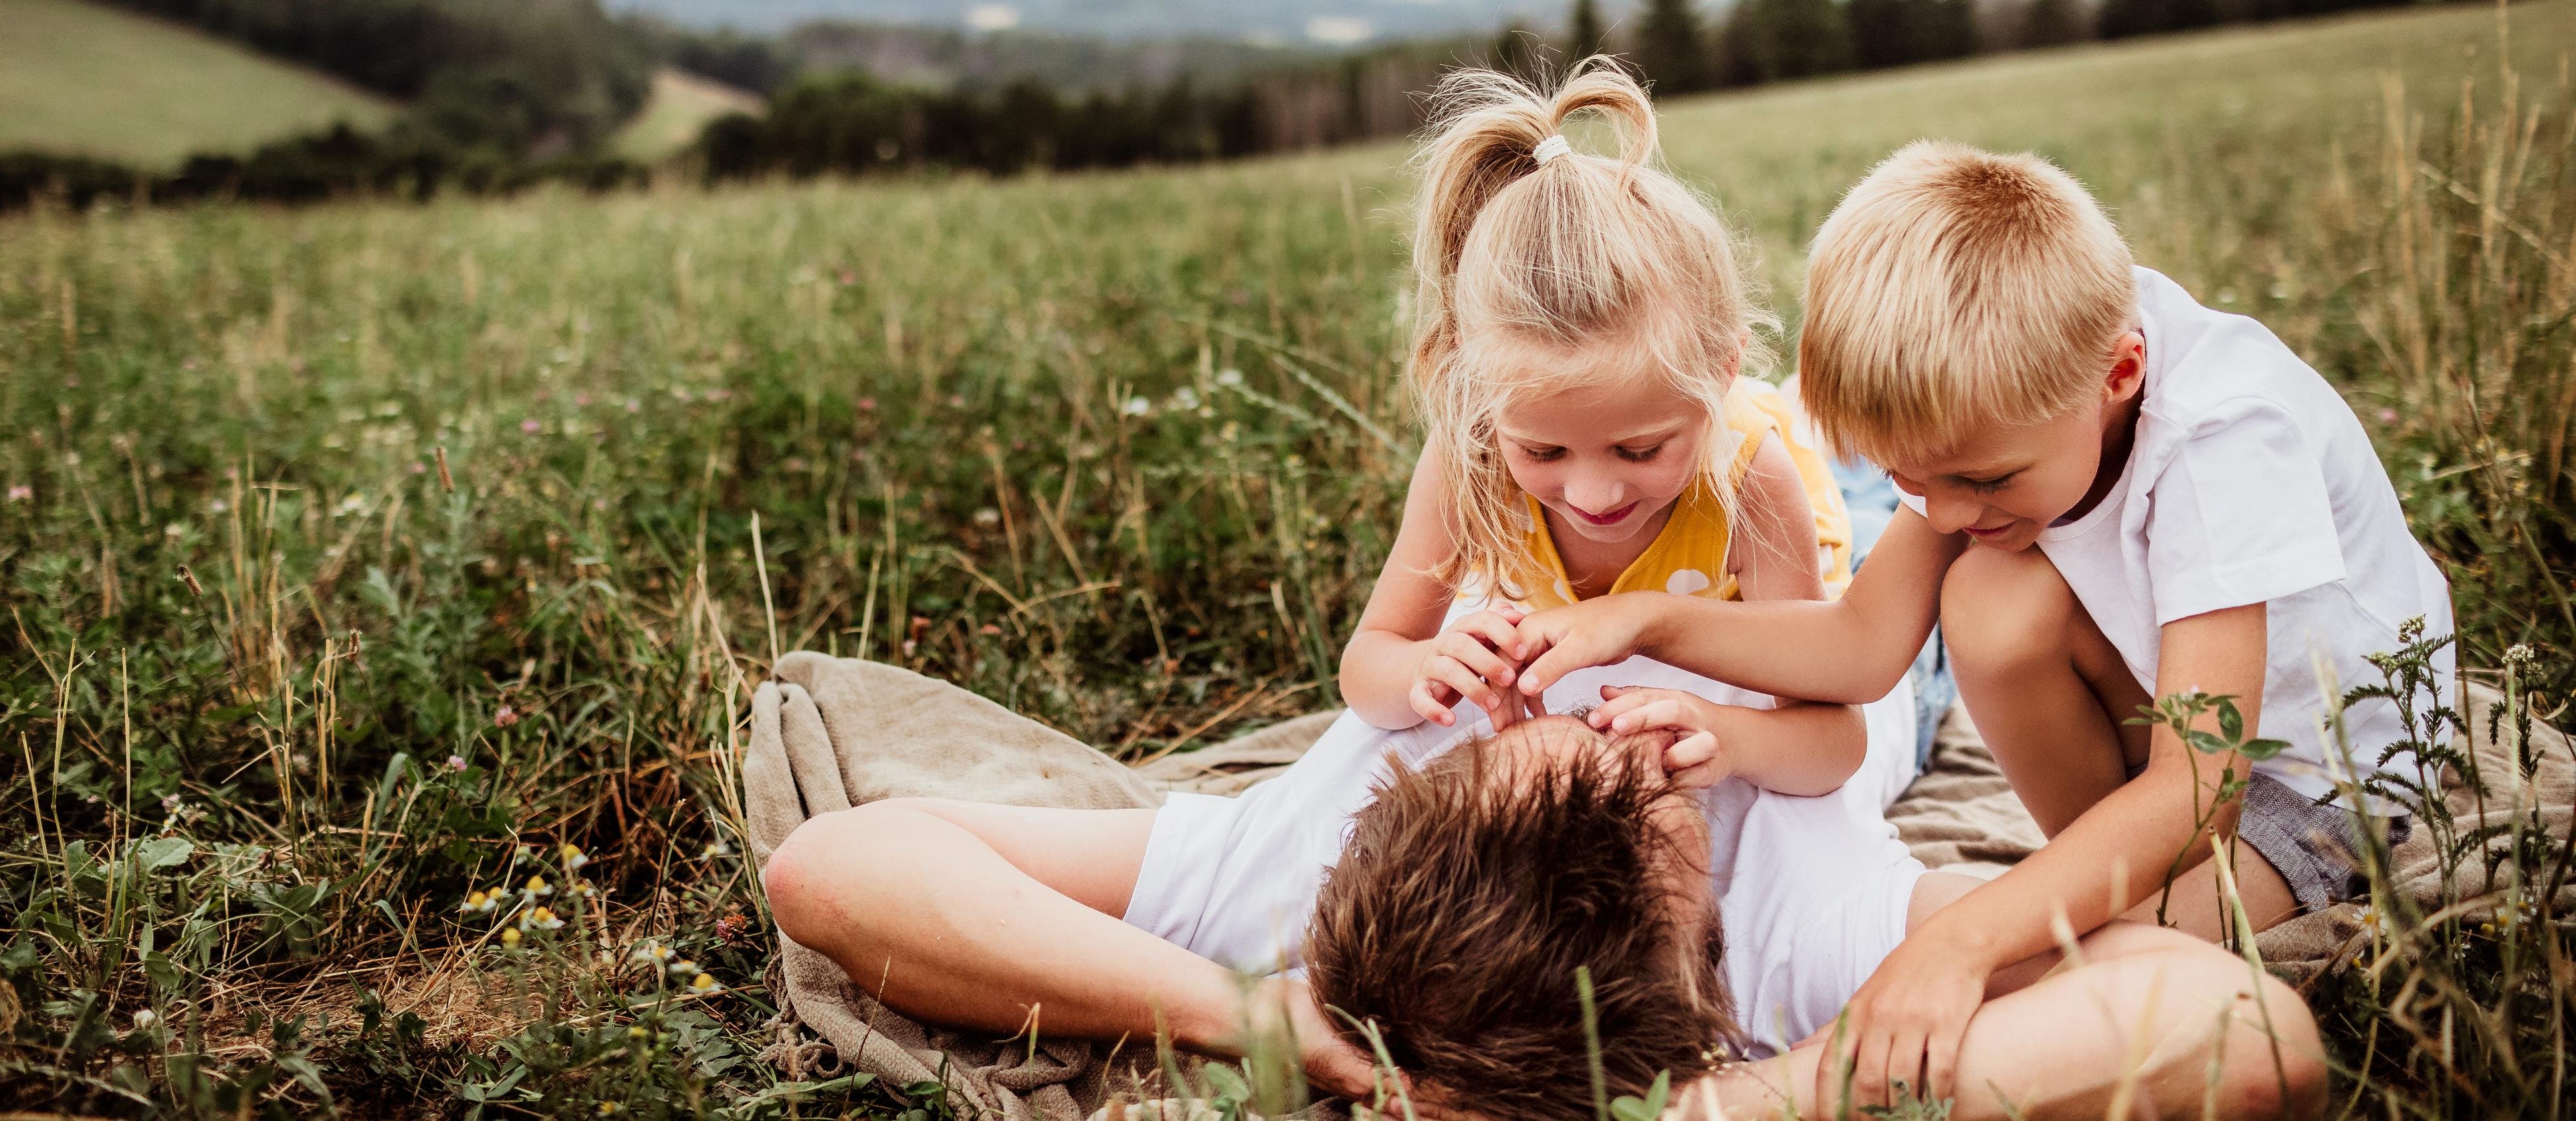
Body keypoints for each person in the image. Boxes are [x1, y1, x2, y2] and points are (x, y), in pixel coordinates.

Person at [1507, 140, 2451, 1110]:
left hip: (2307, 779)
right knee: (1990, 595)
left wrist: (1965, 937)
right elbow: (1862, 648)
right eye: (1907, 479)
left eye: (1984, 479)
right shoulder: (2005, 393)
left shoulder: (2223, 438)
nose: (1946, 513)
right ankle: (2087, 866)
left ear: (2120, 373)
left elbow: (2202, 788)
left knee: (2054, 947)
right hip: (2165, 718)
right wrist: (1648, 620)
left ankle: (1764, 1091)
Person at [764, 655, 2326, 1121]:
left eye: (1507, 737)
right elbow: (2238, 1026)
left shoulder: (1316, 840)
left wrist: (1240, 1003)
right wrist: (1754, 1100)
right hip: (1854, 571)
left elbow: (828, 864)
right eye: (1610, 749)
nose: (1565, 692)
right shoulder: (1806, 931)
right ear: (1675, 861)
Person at [1338, 61, 1878, 799]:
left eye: (1640, 448)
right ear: (1478, 396)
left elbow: (1835, 741)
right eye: (1543, 450)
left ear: (1721, 375)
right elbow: (1368, 664)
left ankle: (1804, 415)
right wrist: (1420, 668)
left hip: (1809, 546)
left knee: (1872, 490)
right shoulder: (1469, 453)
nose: (1593, 491)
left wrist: (1733, 734)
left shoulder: (1749, 478)